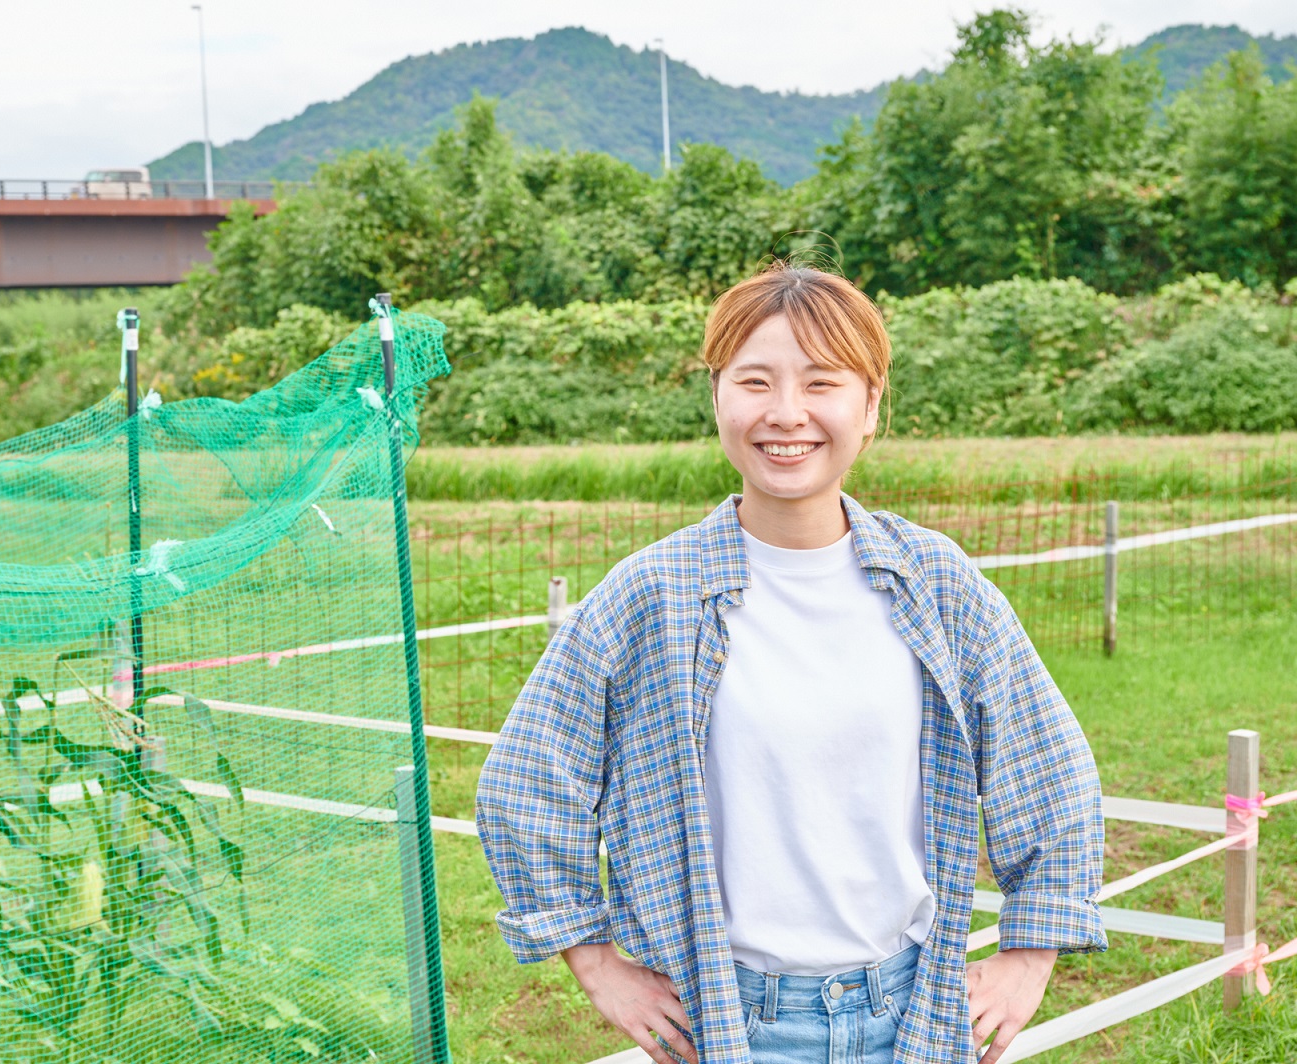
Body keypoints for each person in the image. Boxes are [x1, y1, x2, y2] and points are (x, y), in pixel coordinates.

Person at [474, 261, 1107, 1064]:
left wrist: (1030, 954)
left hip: (916, 1010)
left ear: (870, 405)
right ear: (717, 397)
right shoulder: (650, 595)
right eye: (754, 381)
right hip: (727, 1019)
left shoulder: (936, 582)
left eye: (821, 382)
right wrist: (595, 961)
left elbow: (1049, 769)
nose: (785, 413)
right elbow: (528, 780)